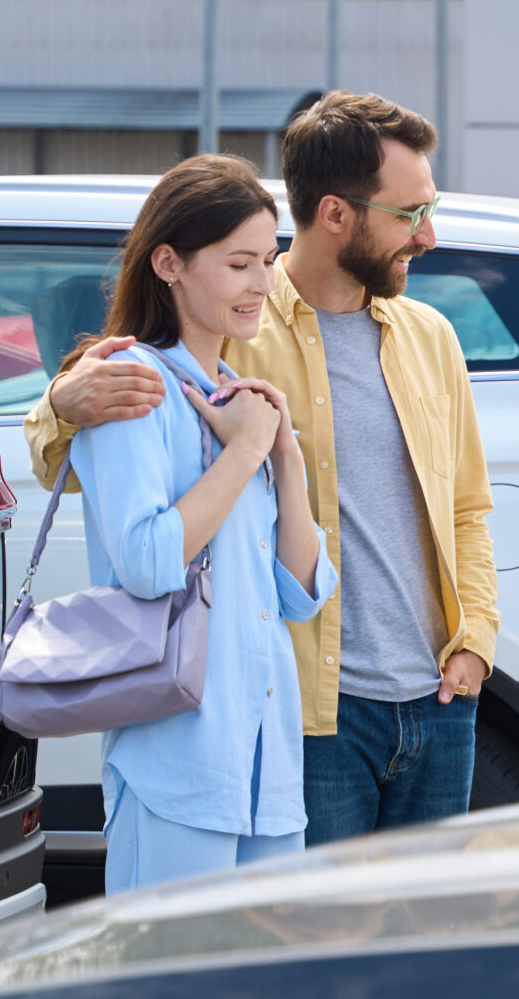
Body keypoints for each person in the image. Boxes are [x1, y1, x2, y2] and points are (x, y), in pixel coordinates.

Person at [28, 90, 499, 845]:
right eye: (410, 215)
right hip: (313, 715)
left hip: (440, 706)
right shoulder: (231, 316)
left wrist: (476, 638)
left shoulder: (430, 336)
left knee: (425, 946)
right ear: (338, 215)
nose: (430, 235)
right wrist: (63, 401)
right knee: (312, 950)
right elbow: (94, 442)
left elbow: (469, 507)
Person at [59, 155, 337, 893]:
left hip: (267, 769)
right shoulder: (128, 387)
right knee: (164, 997)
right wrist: (245, 449)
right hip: (177, 765)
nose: (262, 284)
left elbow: (304, 591)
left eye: (268, 261)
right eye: (239, 262)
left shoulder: (238, 394)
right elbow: (148, 565)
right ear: (169, 263)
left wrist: (283, 456)